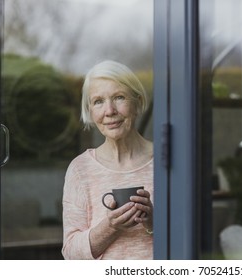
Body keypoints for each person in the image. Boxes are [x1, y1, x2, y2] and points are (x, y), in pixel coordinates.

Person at [61, 60, 153, 259]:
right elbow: (70, 253)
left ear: (137, 102)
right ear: (91, 110)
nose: (109, 111)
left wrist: (154, 222)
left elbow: (193, 235)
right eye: (98, 101)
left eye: (119, 97)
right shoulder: (80, 169)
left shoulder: (168, 161)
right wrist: (110, 227)